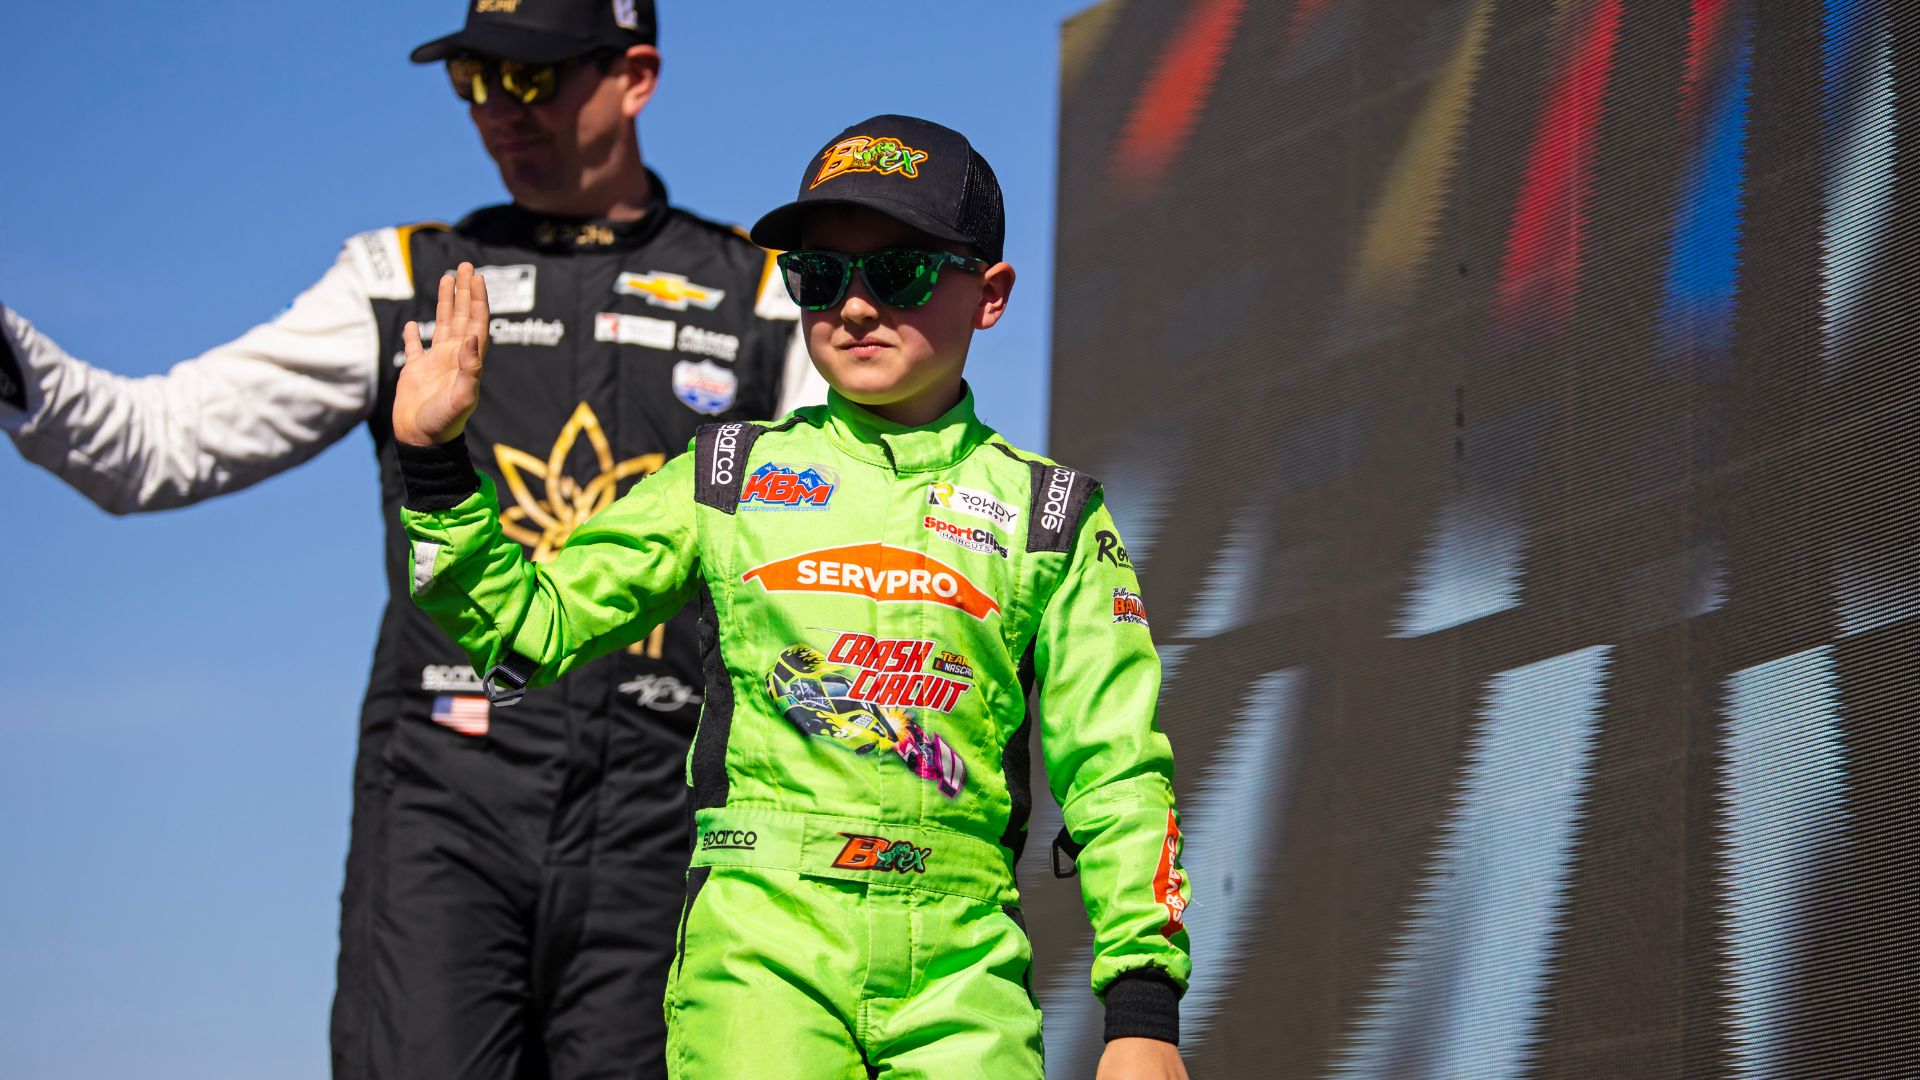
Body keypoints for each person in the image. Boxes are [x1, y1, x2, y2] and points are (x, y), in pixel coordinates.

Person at [0, 2, 823, 1077]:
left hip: (665, 820)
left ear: (636, 76)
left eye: (530, 78)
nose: (498, 109)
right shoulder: (398, 278)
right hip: (445, 810)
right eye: (473, 79)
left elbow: (840, 569)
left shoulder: (768, 296)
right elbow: (154, 446)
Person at [392, 114, 1193, 1080]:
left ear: (990, 295)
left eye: (897, 272)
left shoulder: (1053, 514)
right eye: (819, 274)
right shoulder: (726, 473)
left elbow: (1118, 772)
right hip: (760, 948)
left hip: (966, 961)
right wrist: (434, 463)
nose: (854, 306)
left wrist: (1143, 1011)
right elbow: (529, 623)